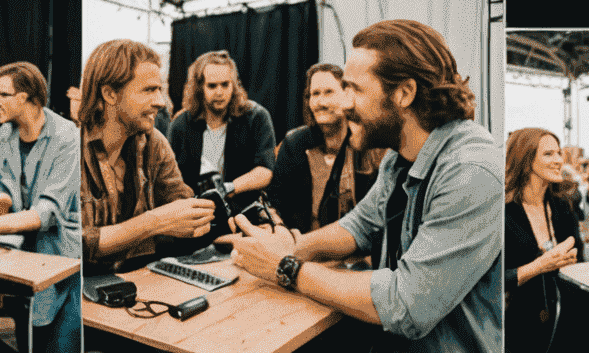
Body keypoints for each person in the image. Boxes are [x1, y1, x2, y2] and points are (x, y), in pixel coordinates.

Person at [222, 19, 501, 352]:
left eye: (353, 88)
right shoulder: (399, 158)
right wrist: (290, 246)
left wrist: (286, 267)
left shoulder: (470, 171)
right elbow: (359, 227)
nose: (343, 103)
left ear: (404, 93)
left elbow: (406, 305)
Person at [79, 39, 215, 268]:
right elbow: (71, 242)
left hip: (138, 281)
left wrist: (207, 217)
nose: (160, 102)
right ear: (110, 94)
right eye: (149, 90)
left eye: (159, 89)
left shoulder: (154, 143)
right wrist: (153, 222)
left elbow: (180, 206)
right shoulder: (69, 148)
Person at [0, 63, 81, 353]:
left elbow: (47, 213)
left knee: (57, 345)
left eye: (3, 94)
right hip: (20, 260)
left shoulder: (67, 135)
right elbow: (1, 190)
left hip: (59, 260)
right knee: (25, 342)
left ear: (27, 97)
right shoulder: (4, 135)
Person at [270, 63, 387, 233]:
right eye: (315, 94)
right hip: (302, 244)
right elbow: (275, 203)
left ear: (347, 96)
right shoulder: (293, 143)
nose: (321, 102)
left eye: (329, 92)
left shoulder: (366, 142)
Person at [167, 50, 276, 226]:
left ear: (234, 85)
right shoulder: (180, 125)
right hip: (194, 218)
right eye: (212, 86)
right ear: (199, 88)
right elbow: (170, 179)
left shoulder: (256, 117)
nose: (219, 92)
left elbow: (264, 171)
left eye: (225, 85)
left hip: (243, 215)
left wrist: (227, 189)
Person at [504, 129, 578, 350]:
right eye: (548, 154)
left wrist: (572, 259)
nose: (558, 160)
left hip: (561, 321)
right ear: (526, 160)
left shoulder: (561, 205)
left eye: (559, 153)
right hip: (515, 329)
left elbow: (577, 257)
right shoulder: (502, 212)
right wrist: (539, 266)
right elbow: (490, 279)